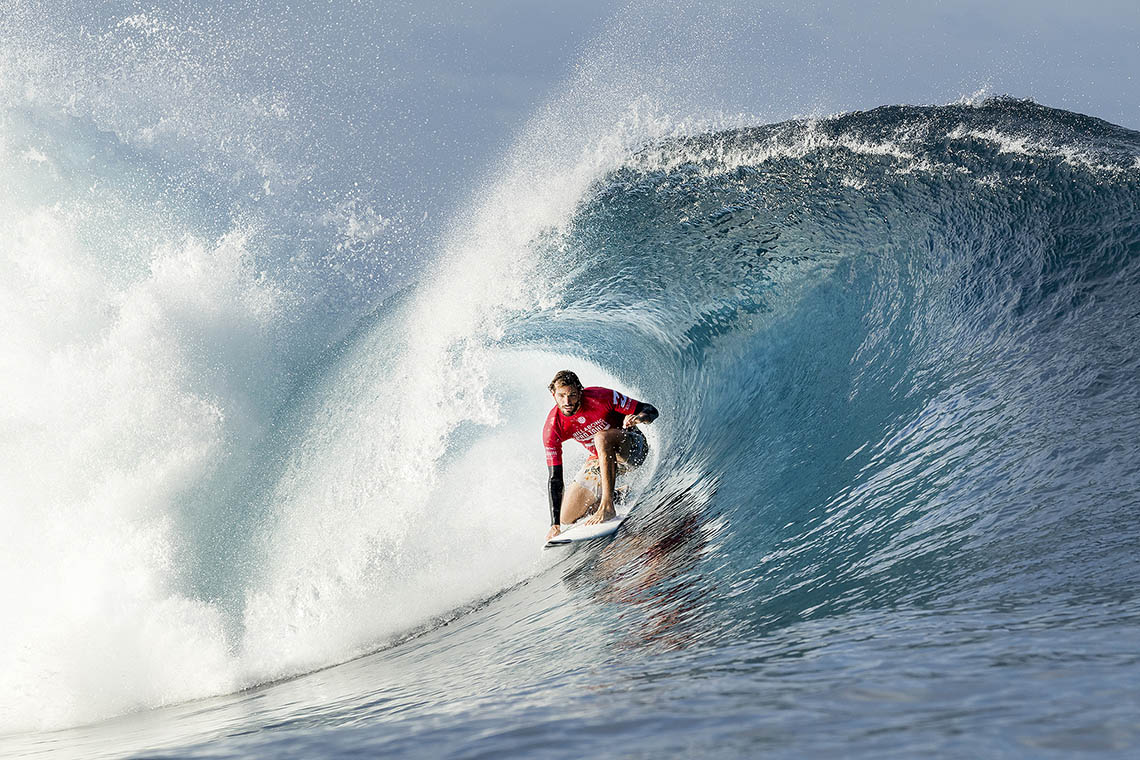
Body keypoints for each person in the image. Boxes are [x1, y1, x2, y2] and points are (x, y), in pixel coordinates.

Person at [542, 370, 659, 543]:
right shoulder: (553, 427)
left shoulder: (601, 397)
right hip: (603, 459)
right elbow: (555, 478)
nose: (567, 401)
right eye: (561, 396)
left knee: (601, 437)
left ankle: (607, 506)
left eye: (572, 395)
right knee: (567, 516)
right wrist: (555, 524)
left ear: (580, 392)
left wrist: (638, 419)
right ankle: (618, 495)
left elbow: (650, 410)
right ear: (554, 394)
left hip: (632, 448)